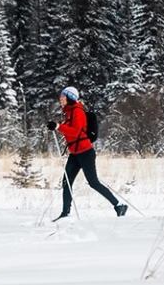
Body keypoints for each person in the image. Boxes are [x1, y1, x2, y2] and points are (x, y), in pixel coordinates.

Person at [47, 86, 128, 219]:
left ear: (70, 98)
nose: (60, 99)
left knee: (93, 182)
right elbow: (69, 129)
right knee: (66, 182)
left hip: (85, 153)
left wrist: (58, 127)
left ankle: (118, 205)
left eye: (63, 97)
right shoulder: (68, 113)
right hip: (75, 154)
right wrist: (58, 126)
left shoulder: (77, 111)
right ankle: (65, 214)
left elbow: (76, 131)